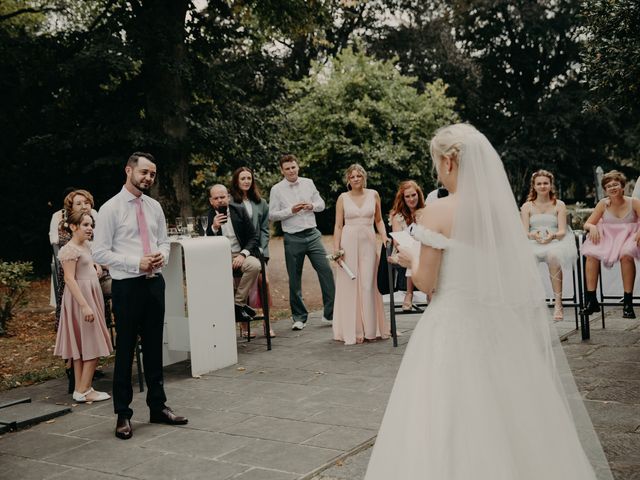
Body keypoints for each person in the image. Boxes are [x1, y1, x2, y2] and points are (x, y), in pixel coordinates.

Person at [364, 124, 612, 480]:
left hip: (451, 322)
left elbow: (426, 282)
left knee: (445, 415)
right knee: (513, 412)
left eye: (437, 162)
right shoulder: (500, 211)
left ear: (449, 161)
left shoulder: (437, 212)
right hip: (499, 325)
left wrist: (410, 259)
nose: (437, 170)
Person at [93, 152, 188, 440]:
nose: (148, 178)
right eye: (144, 172)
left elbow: (163, 240)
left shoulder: (154, 206)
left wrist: (161, 255)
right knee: (125, 350)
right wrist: (137, 263)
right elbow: (99, 252)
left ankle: (158, 407)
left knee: (154, 346)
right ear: (128, 170)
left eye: (152, 174)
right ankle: (123, 413)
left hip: (153, 284)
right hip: (127, 286)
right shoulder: (110, 208)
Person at [268, 154, 335, 330]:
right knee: (294, 278)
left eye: (293, 167)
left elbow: (321, 203)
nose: (291, 171)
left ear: (298, 167)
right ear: (282, 170)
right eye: (287, 168)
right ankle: (299, 317)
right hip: (292, 237)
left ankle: (330, 314)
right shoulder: (276, 189)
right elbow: (272, 214)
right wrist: (291, 210)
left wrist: (311, 206)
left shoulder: (308, 182)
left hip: (313, 234)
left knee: (326, 271)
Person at [54, 210, 112, 403]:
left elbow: (90, 264)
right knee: (92, 342)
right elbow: (70, 279)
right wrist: (85, 306)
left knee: (83, 343)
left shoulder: (86, 246)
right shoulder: (69, 250)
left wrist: (98, 266)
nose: (90, 229)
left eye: (91, 225)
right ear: (73, 227)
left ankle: (81, 388)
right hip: (81, 299)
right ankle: (84, 389)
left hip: (91, 294)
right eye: (85, 225)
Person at [331, 164, 390, 345]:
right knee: (351, 285)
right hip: (347, 243)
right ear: (348, 180)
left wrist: (385, 238)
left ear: (364, 177)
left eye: (358, 176)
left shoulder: (373, 194)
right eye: (352, 177)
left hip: (368, 242)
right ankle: (354, 330)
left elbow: (378, 220)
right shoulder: (342, 198)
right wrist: (336, 249)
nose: (356, 179)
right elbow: (338, 225)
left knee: (367, 285)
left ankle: (371, 330)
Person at [581, 170, 640, 319]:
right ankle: (592, 300)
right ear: (605, 190)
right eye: (608, 186)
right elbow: (587, 223)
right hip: (609, 238)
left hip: (629, 236)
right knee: (591, 254)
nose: (612, 188)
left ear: (622, 186)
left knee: (626, 254)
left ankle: (628, 303)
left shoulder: (634, 202)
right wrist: (592, 227)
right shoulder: (603, 204)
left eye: (615, 185)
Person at [206, 184, 262, 338]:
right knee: (223, 279)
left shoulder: (239, 210)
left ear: (228, 197)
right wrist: (214, 228)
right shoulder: (208, 216)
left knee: (255, 265)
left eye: (222, 197)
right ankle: (231, 320)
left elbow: (254, 237)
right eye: (216, 198)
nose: (220, 201)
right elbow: (204, 242)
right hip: (219, 257)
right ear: (211, 201)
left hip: (240, 254)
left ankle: (238, 304)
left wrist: (243, 255)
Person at [520, 170, 577, 320]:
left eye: (545, 183)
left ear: (551, 185)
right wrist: (534, 235)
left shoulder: (559, 205)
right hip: (533, 241)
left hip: (555, 240)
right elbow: (524, 232)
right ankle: (532, 302)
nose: (543, 186)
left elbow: (563, 231)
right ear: (534, 186)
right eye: (539, 183)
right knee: (527, 258)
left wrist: (552, 236)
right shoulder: (526, 206)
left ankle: (558, 304)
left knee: (553, 256)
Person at [229, 167, 275, 337]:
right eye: (243, 178)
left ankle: (267, 323)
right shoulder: (232, 202)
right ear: (236, 181)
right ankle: (244, 326)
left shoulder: (261, 202)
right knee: (242, 285)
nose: (246, 181)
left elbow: (264, 229)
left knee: (265, 282)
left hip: (257, 250)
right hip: (238, 251)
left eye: (249, 178)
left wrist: (261, 249)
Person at [388, 180, 426, 311]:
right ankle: (427, 293)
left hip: (423, 251)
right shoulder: (397, 216)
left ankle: (409, 294)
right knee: (412, 250)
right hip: (403, 251)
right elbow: (397, 242)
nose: (411, 199)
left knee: (417, 249)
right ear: (403, 198)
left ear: (418, 195)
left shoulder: (426, 212)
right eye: (407, 196)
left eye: (413, 195)